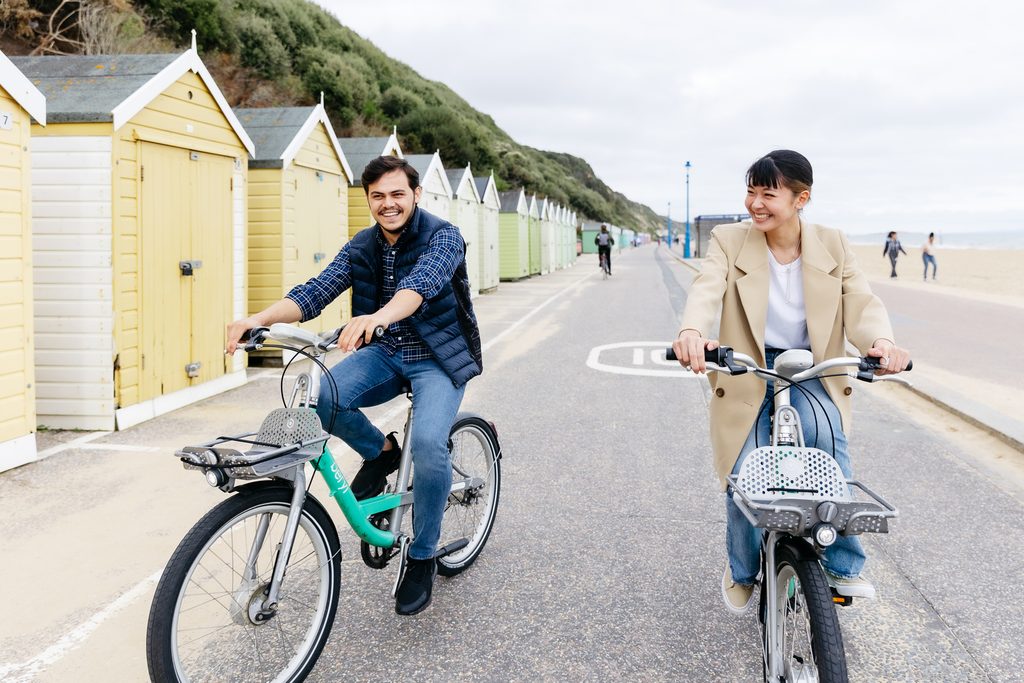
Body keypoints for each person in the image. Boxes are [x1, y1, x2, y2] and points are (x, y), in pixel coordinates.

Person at [225, 156, 482, 616]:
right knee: (318, 399)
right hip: (385, 353)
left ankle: (422, 555)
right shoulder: (362, 245)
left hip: (438, 357)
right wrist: (259, 319)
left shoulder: (444, 237)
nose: (388, 204)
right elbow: (314, 292)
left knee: (427, 444)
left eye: (397, 194)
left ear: (416, 195)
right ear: (368, 200)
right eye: (378, 196)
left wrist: (377, 316)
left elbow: (420, 286)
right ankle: (381, 453)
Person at [670, 150, 910, 615]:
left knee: (826, 446)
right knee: (744, 470)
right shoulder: (728, 239)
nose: (755, 203)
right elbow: (707, 285)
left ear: (802, 198)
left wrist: (882, 342)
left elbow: (860, 300)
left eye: (768, 193)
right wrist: (692, 332)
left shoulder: (832, 243)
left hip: (811, 366)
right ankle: (742, 570)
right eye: (751, 191)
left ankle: (842, 564)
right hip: (748, 363)